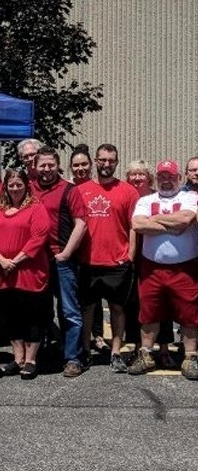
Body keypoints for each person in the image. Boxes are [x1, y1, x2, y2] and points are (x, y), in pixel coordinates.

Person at [129, 160, 198, 380]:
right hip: (152, 268)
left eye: (170, 176)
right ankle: (146, 355)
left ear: (179, 178)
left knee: (189, 315)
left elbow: (186, 218)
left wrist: (155, 219)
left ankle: (190, 358)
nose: (166, 180)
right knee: (149, 313)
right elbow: (138, 225)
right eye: (162, 176)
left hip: (185, 268)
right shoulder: (146, 200)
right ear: (156, 179)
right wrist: (172, 225)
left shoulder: (190, 198)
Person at [77, 144, 140, 373]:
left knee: (117, 309)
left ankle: (115, 352)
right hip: (88, 261)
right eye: (102, 160)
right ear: (95, 161)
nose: (106, 164)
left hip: (117, 262)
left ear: (117, 162)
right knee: (87, 309)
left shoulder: (128, 192)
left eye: (111, 160)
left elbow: (134, 226)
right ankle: (85, 350)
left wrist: (130, 255)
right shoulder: (81, 190)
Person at [0, 168, 51, 379]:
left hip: (30, 271)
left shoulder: (36, 208)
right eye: (11, 185)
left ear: (26, 185)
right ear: (6, 187)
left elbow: (39, 237)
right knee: (11, 317)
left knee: (33, 317)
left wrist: (17, 260)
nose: (15, 189)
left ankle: (31, 360)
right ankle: (18, 357)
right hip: (4, 272)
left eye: (19, 185)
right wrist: (2, 260)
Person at [31, 147, 87, 378]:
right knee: (40, 310)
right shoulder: (28, 188)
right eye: (42, 165)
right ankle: (45, 351)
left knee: (69, 311)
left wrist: (65, 253)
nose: (46, 170)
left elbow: (81, 224)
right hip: (36, 261)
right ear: (35, 167)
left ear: (57, 165)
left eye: (50, 165)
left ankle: (74, 358)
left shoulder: (69, 190)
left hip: (61, 259)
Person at [124, 159, 174, 366]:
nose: (136, 178)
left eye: (141, 174)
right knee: (136, 305)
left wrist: (149, 223)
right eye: (132, 174)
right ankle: (139, 349)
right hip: (132, 258)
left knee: (164, 303)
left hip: (157, 257)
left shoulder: (157, 196)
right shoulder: (126, 196)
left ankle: (163, 348)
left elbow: (169, 222)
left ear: (149, 177)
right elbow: (133, 226)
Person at [69, 144, 107, 354]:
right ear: (71, 168)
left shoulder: (99, 186)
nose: (80, 168)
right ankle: (79, 336)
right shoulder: (68, 188)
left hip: (95, 249)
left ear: (91, 165)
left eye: (84, 164)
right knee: (79, 299)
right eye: (76, 165)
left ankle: (98, 335)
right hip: (75, 251)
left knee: (96, 297)